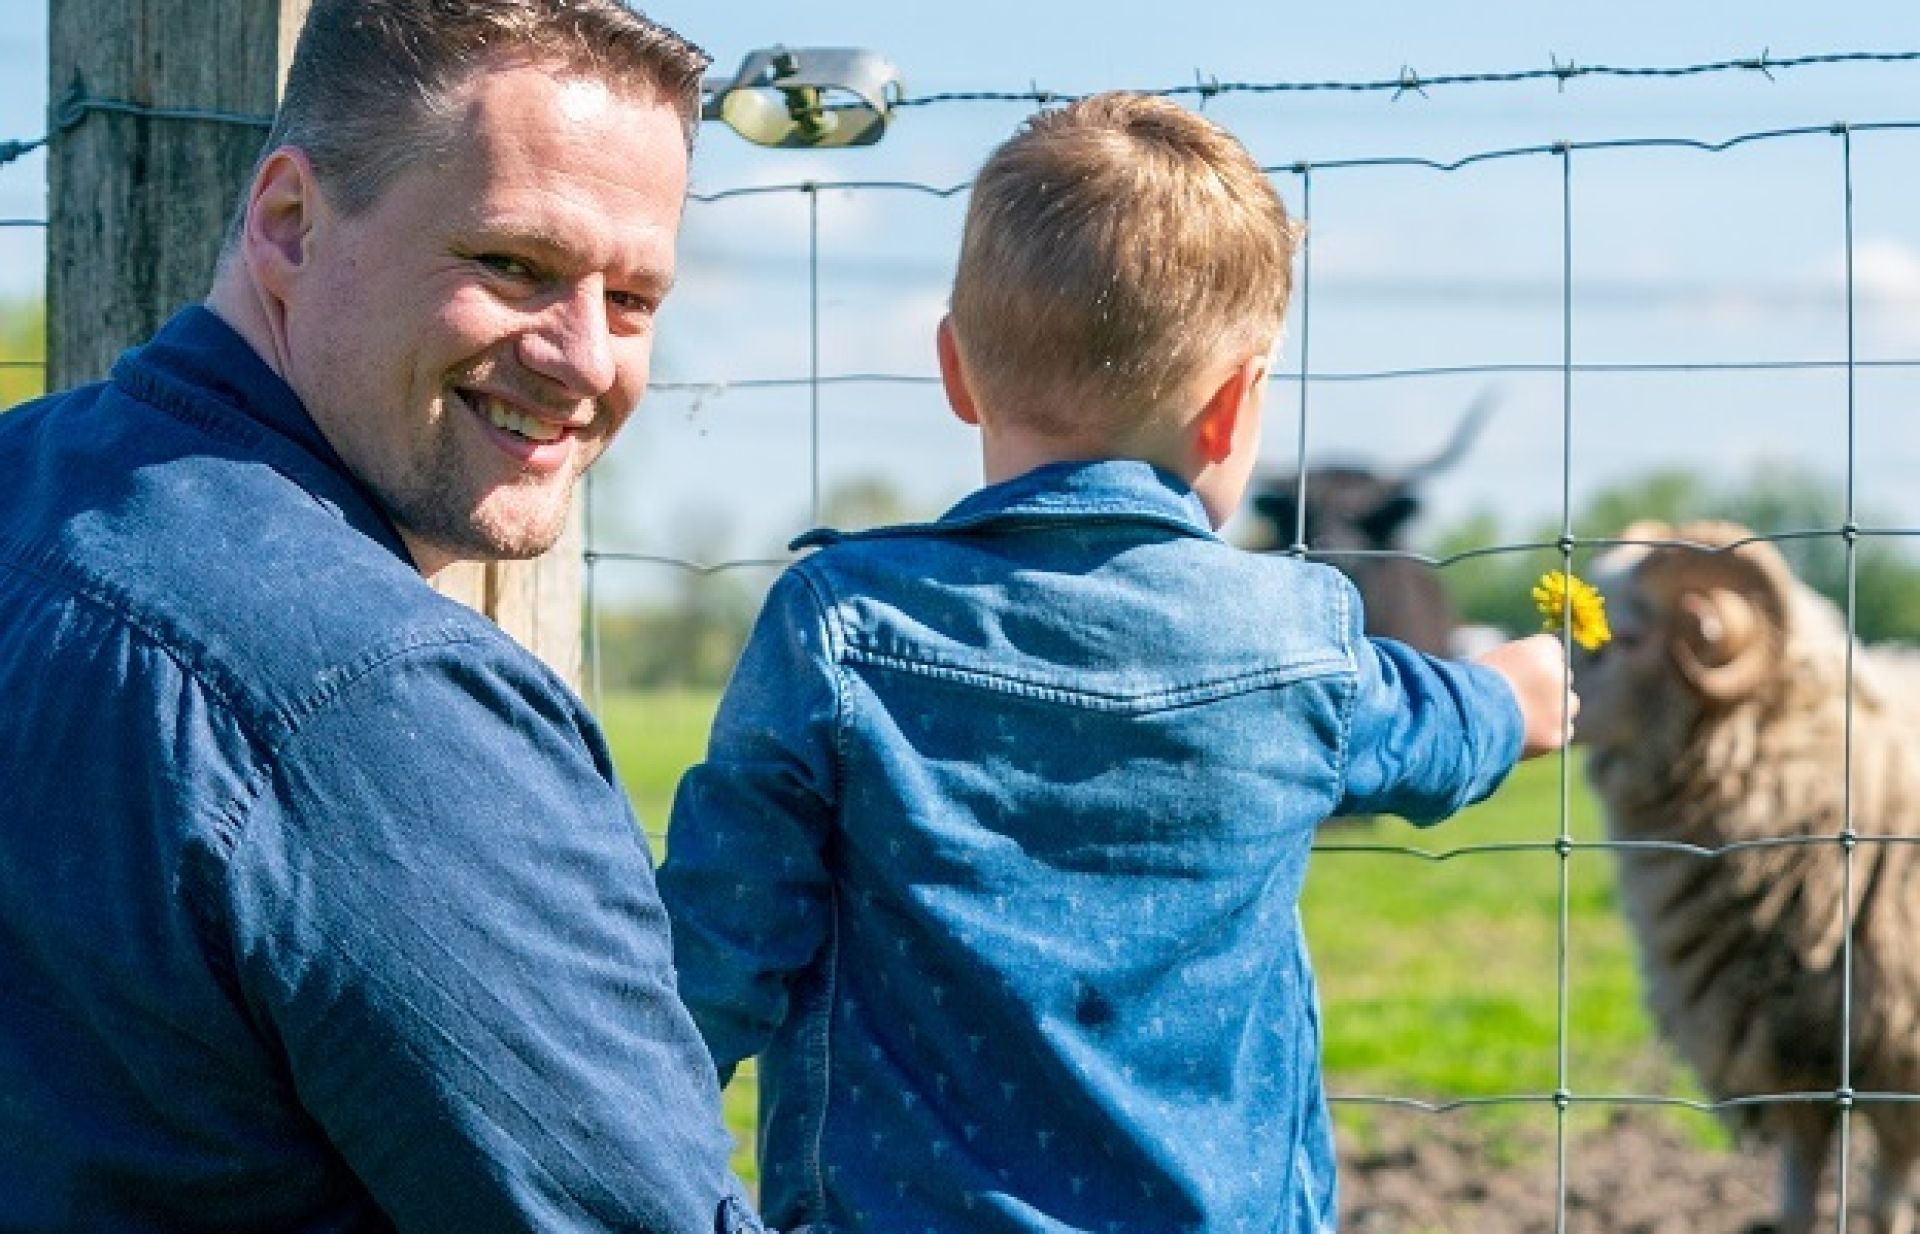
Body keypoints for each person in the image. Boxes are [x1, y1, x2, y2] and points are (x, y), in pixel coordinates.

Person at [659, 92, 1576, 1234]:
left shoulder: (835, 626)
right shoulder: (1301, 637)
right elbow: (1433, 731)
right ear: (1235, 404)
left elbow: (713, 951)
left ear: (955, 368)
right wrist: (1519, 695)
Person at [0, 2, 762, 1230]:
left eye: (630, 299)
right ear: (290, 224)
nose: (582, 357)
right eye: (513, 263)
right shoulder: (381, 705)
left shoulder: (22, 488)